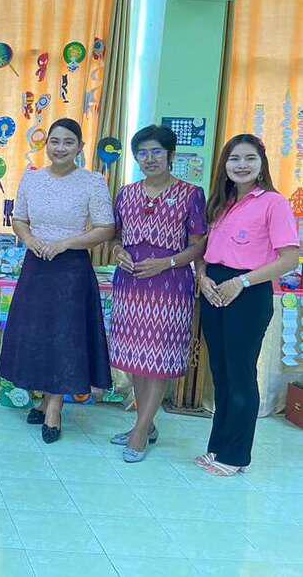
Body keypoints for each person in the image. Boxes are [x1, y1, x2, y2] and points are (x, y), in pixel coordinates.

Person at [0, 118, 115, 443]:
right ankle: (43, 398)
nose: (60, 148)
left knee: (66, 336)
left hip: (71, 270)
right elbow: (19, 219)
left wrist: (65, 244)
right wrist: (29, 239)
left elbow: (106, 229)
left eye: (68, 142)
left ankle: (54, 408)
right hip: (36, 266)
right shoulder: (32, 179)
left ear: (80, 147)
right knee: (38, 334)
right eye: (55, 141)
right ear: (46, 144)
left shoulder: (92, 182)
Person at [196, 134, 298, 476]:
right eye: (234, 158)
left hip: (248, 292)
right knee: (221, 373)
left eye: (249, 158)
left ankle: (236, 456)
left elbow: (289, 259)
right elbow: (206, 252)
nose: (242, 165)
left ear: (261, 163)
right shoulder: (220, 203)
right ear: (224, 165)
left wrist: (241, 283)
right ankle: (217, 447)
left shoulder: (273, 203)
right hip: (214, 289)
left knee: (240, 373)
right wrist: (202, 277)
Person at [108, 125, 207, 462]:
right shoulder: (126, 193)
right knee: (136, 358)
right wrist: (119, 252)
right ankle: (145, 423)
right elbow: (116, 236)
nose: (149, 158)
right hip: (130, 284)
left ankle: (139, 433)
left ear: (171, 155)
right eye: (143, 153)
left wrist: (166, 263)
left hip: (170, 287)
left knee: (158, 359)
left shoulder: (191, 194)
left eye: (156, 152)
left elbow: (199, 245)